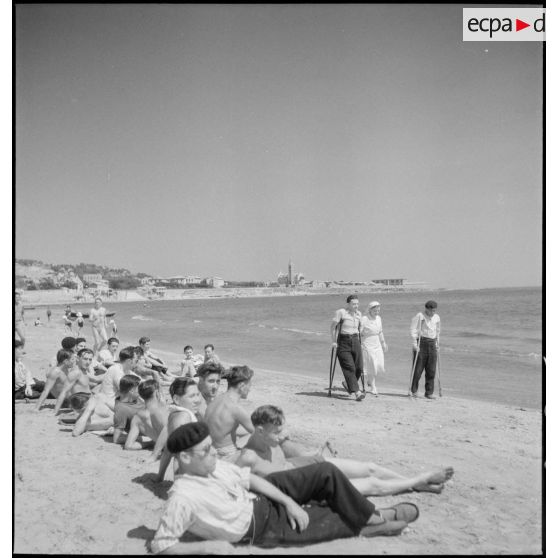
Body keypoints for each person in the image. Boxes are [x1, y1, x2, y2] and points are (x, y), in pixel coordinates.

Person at [150, 422, 417, 554]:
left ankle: (370, 515)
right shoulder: (182, 498)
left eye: (211, 447)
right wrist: (209, 547)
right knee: (327, 519)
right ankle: (379, 519)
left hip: (260, 496)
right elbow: (162, 545)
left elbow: (250, 479)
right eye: (206, 450)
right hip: (259, 526)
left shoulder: (211, 466)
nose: (213, 453)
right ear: (184, 458)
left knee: (326, 472)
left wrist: (289, 502)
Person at [238, 405, 454, 496]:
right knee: (372, 485)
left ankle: (416, 483)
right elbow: (222, 478)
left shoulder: (271, 442)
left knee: (370, 468)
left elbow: (287, 457)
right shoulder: (247, 456)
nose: (281, 435)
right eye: (277, 431)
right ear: (258, 430)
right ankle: (421, 480)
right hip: (306, 484)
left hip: (303, 466)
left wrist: (313, 452)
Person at [155, 377, 203, 482]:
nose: (197, 400)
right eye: (191, 396)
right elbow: (180, 456)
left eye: (198, 395)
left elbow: (168, 450)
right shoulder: (183, 418)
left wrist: (160, 476)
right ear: (176, 399)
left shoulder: (176, 414)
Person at [204, 365, 255, 464]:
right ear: (242, 386)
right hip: (226, 454)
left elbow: (224, 429)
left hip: (211, 449)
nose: (250, 389)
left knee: (247, 433)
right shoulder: (236, 408)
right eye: (249, 385)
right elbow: (259, 433)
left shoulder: (215, 401)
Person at [331, 294, 365, 401]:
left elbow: (361, 329)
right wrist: (333, 341)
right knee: (349, 367)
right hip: (343, 341)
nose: (356, 306)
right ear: (348, 304)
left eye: (357, 304)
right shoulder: (341, 312)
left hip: (355, 340)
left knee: (359, 367)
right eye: (354, 304)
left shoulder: (359, 314)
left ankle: (347, 383)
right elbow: (332, 327)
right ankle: (357, 392)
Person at [124, 379, 169, 452]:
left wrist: (150, 443)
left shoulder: (137, 418)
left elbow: (128, 446)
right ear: (157, 393)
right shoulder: (163, 411)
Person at [410, 300, 441, 399]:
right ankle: (414, 390)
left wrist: (437, 343)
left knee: (431, 370)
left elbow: (438, 330)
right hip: (421, 342)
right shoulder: (420, 316)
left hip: (432, 343)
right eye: (431, 311)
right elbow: (413, 329)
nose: (433, 313)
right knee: (418, 369)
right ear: (426, 309)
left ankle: (429, 392)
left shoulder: (437, 317)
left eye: (434, 311)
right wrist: (415, 344)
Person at [52, 348, 96, 415]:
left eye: (90, 359)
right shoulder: (75, 373)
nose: (88, 362)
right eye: (85, 359)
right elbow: (64, 392)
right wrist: (55, 412)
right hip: (82, 404)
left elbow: (97, 379)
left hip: (87, 400)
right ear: (78, 358)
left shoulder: (83, 371)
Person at [97, 346, 139, 411]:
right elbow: (127, 392)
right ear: (129, 361)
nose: (137, 363)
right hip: (109, 403)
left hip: (115, 401)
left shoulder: (125, 369)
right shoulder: (116, 370)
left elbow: (139, 379)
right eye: (136, 361)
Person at [360, 301, 388, 396]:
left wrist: (383, 343)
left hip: (377, 343)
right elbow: (358, 332)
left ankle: (369, 380)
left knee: (378, 364)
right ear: (370, 310)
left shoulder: (379, 318)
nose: (377, 312)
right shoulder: (364, 319)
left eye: (378, 310)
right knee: (371, 365)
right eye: (375, 310)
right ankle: (373, 387)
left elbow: (380, 331)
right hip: (367, 343)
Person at [113, 375, 143, 444]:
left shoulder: (135, 399)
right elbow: (116, 439)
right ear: (132, 390)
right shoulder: (121, 410)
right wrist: (140, 438)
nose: (141, 390)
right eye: (139, 388)